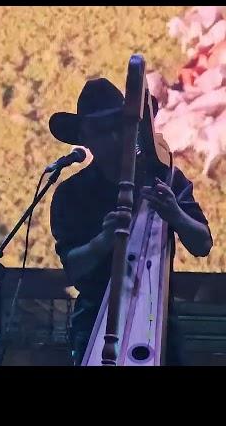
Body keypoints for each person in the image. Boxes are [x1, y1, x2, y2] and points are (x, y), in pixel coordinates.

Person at [48, 78, 213, 365]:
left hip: (157, 319)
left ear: (134, 129)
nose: (113, 138)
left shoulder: (166, 177)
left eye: (118, 126)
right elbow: (73, 269)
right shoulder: (70, 193)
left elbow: (203, 243)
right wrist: (103, 242)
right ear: (85, 139)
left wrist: (176, 215)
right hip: (93, 319)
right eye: (100, 131)